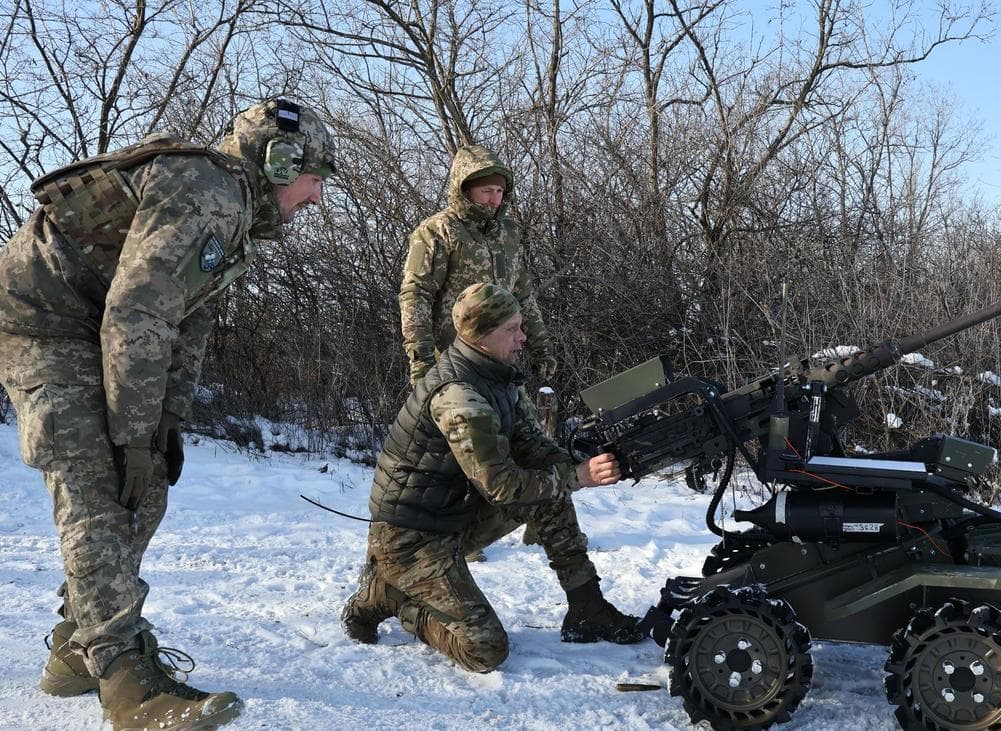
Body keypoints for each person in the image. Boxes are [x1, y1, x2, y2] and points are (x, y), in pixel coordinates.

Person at [0, 99, 335, 729]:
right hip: (42, 325)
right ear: (281, 162)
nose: (316, 198)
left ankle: (78, 647)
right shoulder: (209, 191)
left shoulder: (234, 217)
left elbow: (187, 326)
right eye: (316, 179)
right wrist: (128, 437)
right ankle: (126, 684)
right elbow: (138, 313)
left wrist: (162, 430)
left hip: (96, 324)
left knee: (147, 480)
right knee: (98, 483)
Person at [341, 283, 642, 673]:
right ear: (482, 336)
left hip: (453, 517)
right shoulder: (460, 396)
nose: (523, 336)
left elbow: (533, 448)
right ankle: (393, 597)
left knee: (549, 484)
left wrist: (583, 460)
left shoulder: (497, 376)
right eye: (512, 329)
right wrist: (577, 476)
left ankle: (587, 607)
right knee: (484, 650)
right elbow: (499, 485)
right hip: (410, 538)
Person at [399, 144, 557, 386]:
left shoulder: (509, 234)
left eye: (499, 191)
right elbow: (416, 295)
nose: (495, 200)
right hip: (454, 361)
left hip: (501, 361)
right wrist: (421, 359)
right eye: (486, 191)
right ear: (466, 191)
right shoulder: (438, 231)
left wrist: (541, 347)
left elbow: (523, 295)